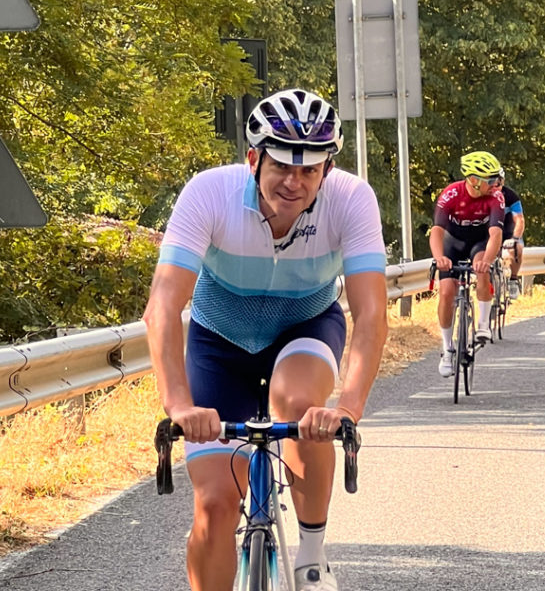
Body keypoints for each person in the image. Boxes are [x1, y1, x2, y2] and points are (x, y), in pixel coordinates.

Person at [143, 88, 389, 591]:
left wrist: (348, 407)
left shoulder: (351, 199)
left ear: (328, 170)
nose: (295, 183)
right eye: (282, 166)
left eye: (310, 170)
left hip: (306, 326)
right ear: (253, 158)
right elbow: (163, 308)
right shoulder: (208, 193)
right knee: (214, 505)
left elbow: (370, 314)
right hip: (219, 341)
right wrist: (179, 405)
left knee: (298, 403)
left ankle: (312, 557)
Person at [428, 150, 506, 375]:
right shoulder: (451, 194)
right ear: (474, 180)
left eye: (496, 179)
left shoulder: (495, 198)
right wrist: (439, 257)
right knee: (446, 292)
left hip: (479, 242)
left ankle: (482, 325)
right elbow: (436, 231)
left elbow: (495, 235)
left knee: (482, 267)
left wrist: (488, 261)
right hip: (453, 241)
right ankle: (447, 347)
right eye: (490, 180)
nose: (495, 184)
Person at [498, 168, 526, 298]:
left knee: (517, 249)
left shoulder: (510, 196)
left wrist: (515, 238)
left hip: (508, 233)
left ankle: (513, 280)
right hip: (489, 233)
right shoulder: (482, 196)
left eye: (499, 181)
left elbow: (519, 220)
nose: (496, 185)